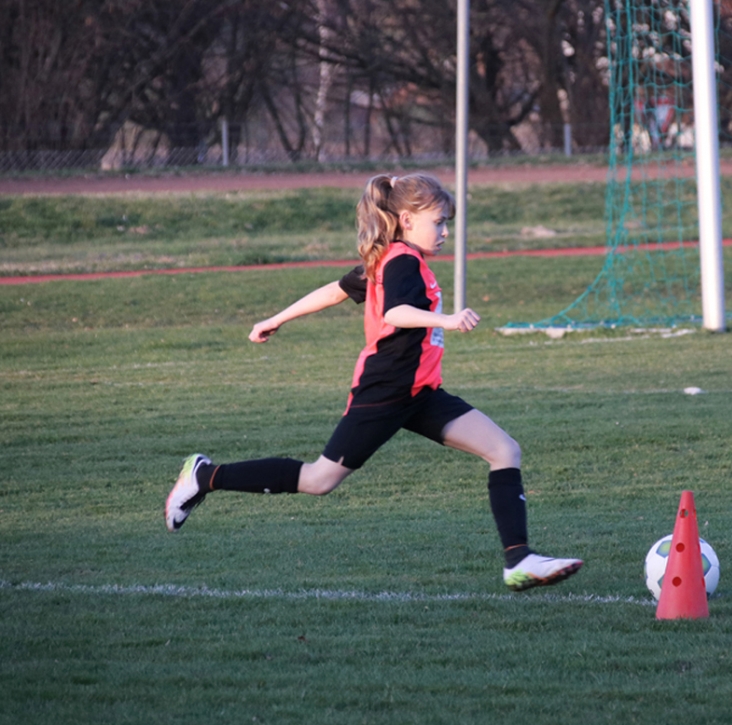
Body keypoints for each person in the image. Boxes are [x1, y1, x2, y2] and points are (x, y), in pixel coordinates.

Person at [165, 173, 583, 592]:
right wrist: (448, 319)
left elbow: (335, 290)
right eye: (438, 222)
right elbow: (396, 313)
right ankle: (205, 476)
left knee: (504, 450)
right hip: (385, 392)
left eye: (447, 223)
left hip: (420, 394)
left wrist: (276, 319)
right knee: (318, 480)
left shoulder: (392, 257)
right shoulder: (402, 261)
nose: (445, 232)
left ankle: (519, 561)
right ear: (406, 219)